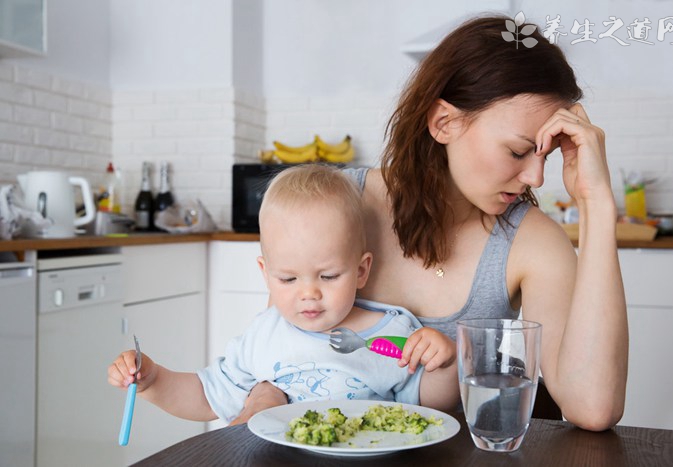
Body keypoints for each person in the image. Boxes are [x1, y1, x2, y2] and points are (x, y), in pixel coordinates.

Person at [237, 15, 628, 431]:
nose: (536, 177)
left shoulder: (533, 242)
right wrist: (261, 397)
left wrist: (597, 203)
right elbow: (276, 350)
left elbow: (593, 407)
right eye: (517, 152)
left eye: (544, 155)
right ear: (444, 123)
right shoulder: (334, 207)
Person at [107, 165, 459, 424]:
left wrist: (442, 364)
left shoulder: (393, 334)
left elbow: (428, 406)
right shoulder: (264, 335)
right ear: (265, 274)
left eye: (329, 276)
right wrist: (153, 379)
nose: (309, 294)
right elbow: (206, 397)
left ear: (361, 270)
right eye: (288, 279)